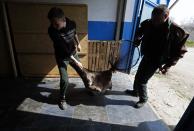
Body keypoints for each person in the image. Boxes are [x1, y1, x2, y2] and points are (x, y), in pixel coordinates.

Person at [125, 4, 189, 108]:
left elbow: (180, 52)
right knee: (138, 75)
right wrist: (138, 38)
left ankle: (143, 99)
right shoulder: (149, 23)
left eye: (157, 20)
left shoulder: (175, 31)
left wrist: (168, 66)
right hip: (147, 54)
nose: (154, 22)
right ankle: (135, 92)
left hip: (157, 59)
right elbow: (140, 31)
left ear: (166, 16)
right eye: (153, 19)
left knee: (142, 80)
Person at [47, 7, 91, 110]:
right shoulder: (52, 31)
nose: (54, 26)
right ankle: (62, 99)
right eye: (52, 23)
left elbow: (74, 32)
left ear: (63, 20)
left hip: (72, 52)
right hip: (62, 56)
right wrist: (76, 61)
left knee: (82, 72)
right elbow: (63, 50)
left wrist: (78, 43)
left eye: (56, 24)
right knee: (65, 80)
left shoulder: (72, 23)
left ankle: (88, 88)